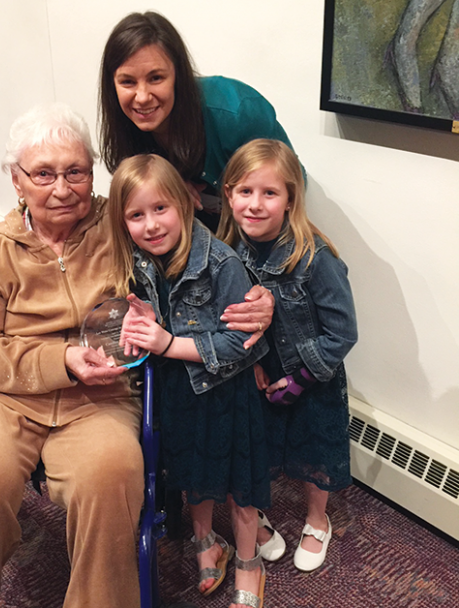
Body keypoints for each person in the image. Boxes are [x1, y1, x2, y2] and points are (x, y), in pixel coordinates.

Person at [0, 103, 144, 608]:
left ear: (91, 173)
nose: (62, 187)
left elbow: (189, 262)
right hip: (2, 397)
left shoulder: (121, 229)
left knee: (111, 473)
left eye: (75, 171)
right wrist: (61, 360)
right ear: (17, 180)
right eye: (44, 174)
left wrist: (259, 293)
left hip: (100, 394)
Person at [108, 153, 272, 608]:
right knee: (191, 477)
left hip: (227, 395)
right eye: (136, 215)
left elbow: (244, 346)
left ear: (185, 204)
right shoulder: (138, 260)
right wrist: (137, 329)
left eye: (161, 209)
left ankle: (248, 561)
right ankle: (206, 543)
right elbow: (146, 327)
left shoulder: (222, 264)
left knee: (239, 490)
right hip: (179, 391)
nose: (152, 225)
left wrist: (165, 344)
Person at [217, 139, 358, 572]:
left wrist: (299, 379)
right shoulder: (228, 253)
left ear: (290, 199)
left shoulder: (316, 258)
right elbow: (232, 318)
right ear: (228, 195)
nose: (255, 205)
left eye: (270, 193)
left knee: (316, 449)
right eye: (245, 192)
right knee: (255, 446)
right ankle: (253, 516)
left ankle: (318, 519)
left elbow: (343, 333)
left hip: (312, 378)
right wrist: (256, 362)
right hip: (261, 374)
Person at [99, 11, 301, 232]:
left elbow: (293, 184)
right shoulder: (125, 130)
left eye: (156, 78)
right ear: (112, 86)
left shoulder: (238, 112)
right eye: (127, 82)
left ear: (179, 75)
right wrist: (168, 188)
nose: (142, 96)